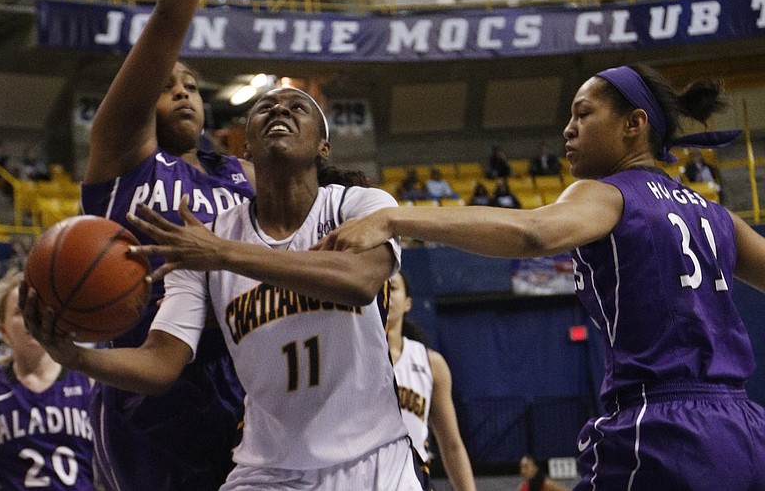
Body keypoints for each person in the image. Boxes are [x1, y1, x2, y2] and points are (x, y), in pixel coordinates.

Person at [316, 64, 765, 490]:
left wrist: (395, 219)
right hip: (744, 426)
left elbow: (532, 233)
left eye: (583, 114)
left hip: (663, 428)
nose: (568, 129)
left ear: (635, 124)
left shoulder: (608, 193)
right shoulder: (718, 215)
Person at [25, 86, 428, 490]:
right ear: (247, 145)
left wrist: (225, 255)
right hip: (268, 472)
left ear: (323, 146)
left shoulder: (356, 205)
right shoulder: (206, 240)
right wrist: (75, 356)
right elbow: (161, 363)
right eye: (265, 108)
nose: (279, 110)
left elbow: (357, 281)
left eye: (297, 107)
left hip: (375, 462)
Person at [76, 0, 255, 488]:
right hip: (146, 389)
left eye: (194, 86)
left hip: (243, 377)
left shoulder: (246, 175)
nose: (181, 90)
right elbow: (169, 19)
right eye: (165, 84)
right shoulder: (121, 156)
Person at [0, 271, 94, 490]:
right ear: (3, 331)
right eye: (20, 311)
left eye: (40, 311)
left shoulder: (88, 382)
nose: (31, 319)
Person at [388, 271, 476, 491]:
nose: (386, 295)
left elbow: (452, 445)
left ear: (408, 303)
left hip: (414, 483)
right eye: (379, 288)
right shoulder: (354, 357)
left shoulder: (430, 363)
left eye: (393, 288)